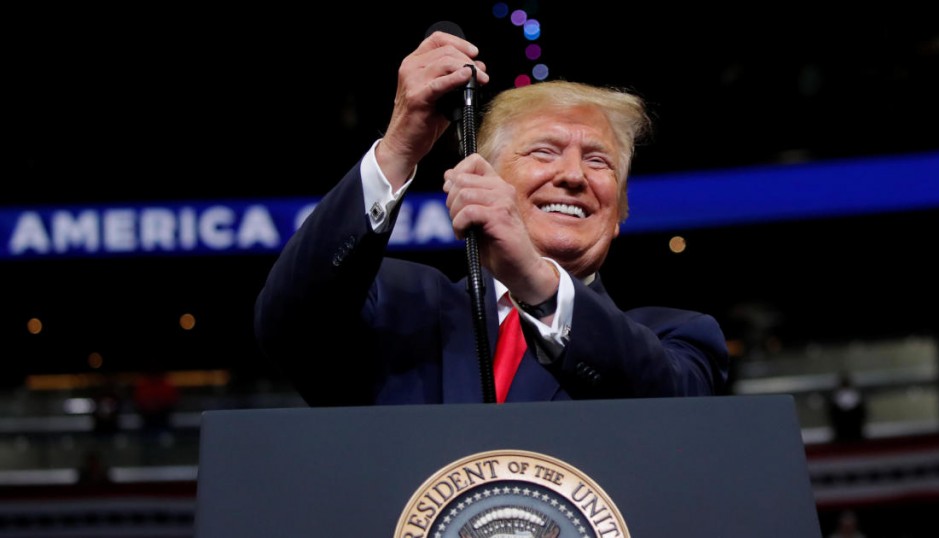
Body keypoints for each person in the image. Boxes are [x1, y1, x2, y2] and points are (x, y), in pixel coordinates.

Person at [254, 29, 730, 406]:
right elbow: (288, 321)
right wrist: (399, 149)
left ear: (620, 210)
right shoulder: (396, 308)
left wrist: (535, 281)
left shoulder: (680, 339)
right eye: (544, 152)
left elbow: (675, 412)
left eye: (598, 161)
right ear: (482, 178)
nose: (572, 175)